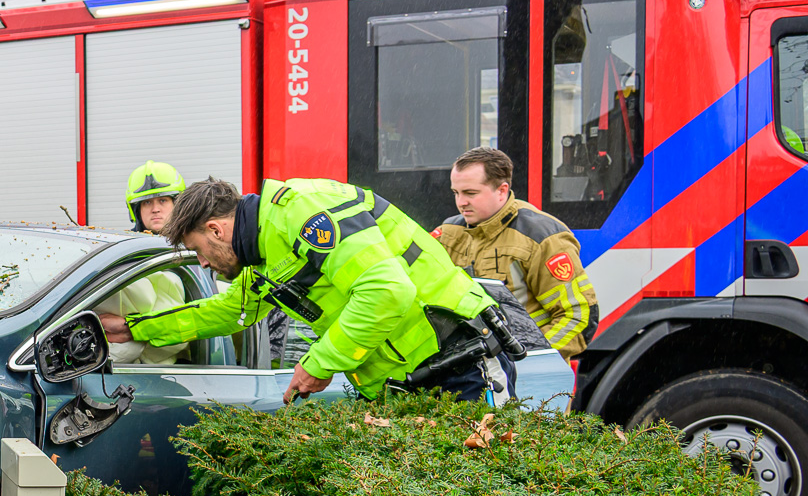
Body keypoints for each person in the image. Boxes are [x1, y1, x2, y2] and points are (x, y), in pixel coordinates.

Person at [126, 177, 515, 404]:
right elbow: (229, 312)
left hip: (461, 360)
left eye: (198, 251)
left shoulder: (302, 213)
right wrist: (134, 329)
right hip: (406, 382)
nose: (205, 264)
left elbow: (386, 291)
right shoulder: (260, 253)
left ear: (215, 229)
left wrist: (318, 364)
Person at [435, 147, 598, 358]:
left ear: (502, 191)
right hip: (471, 376)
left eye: (470, 193)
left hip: (526, 379)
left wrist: (528, 361)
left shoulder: (542, 237)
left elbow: (579, 317)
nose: (461, 202)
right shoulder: (449, 233)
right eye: (456, 193)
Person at [98, 162, 190, 361]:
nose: (155, 209)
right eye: (147, 203)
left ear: (178, 204)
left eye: (163, 201)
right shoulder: (124, 250)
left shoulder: (196, 247)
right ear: (136, 209)